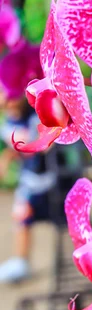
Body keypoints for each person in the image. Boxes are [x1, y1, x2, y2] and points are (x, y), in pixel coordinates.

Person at [0, 93, 56, 282]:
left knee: (23, 210)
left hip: (48, 180)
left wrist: (9, 156)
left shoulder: (35, 116)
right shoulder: (7, 123)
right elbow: (20, 149)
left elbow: (43, 145)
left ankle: (21, 261)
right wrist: (9, 157)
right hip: (30, 180)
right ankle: (20, 261)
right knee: (21, 213)